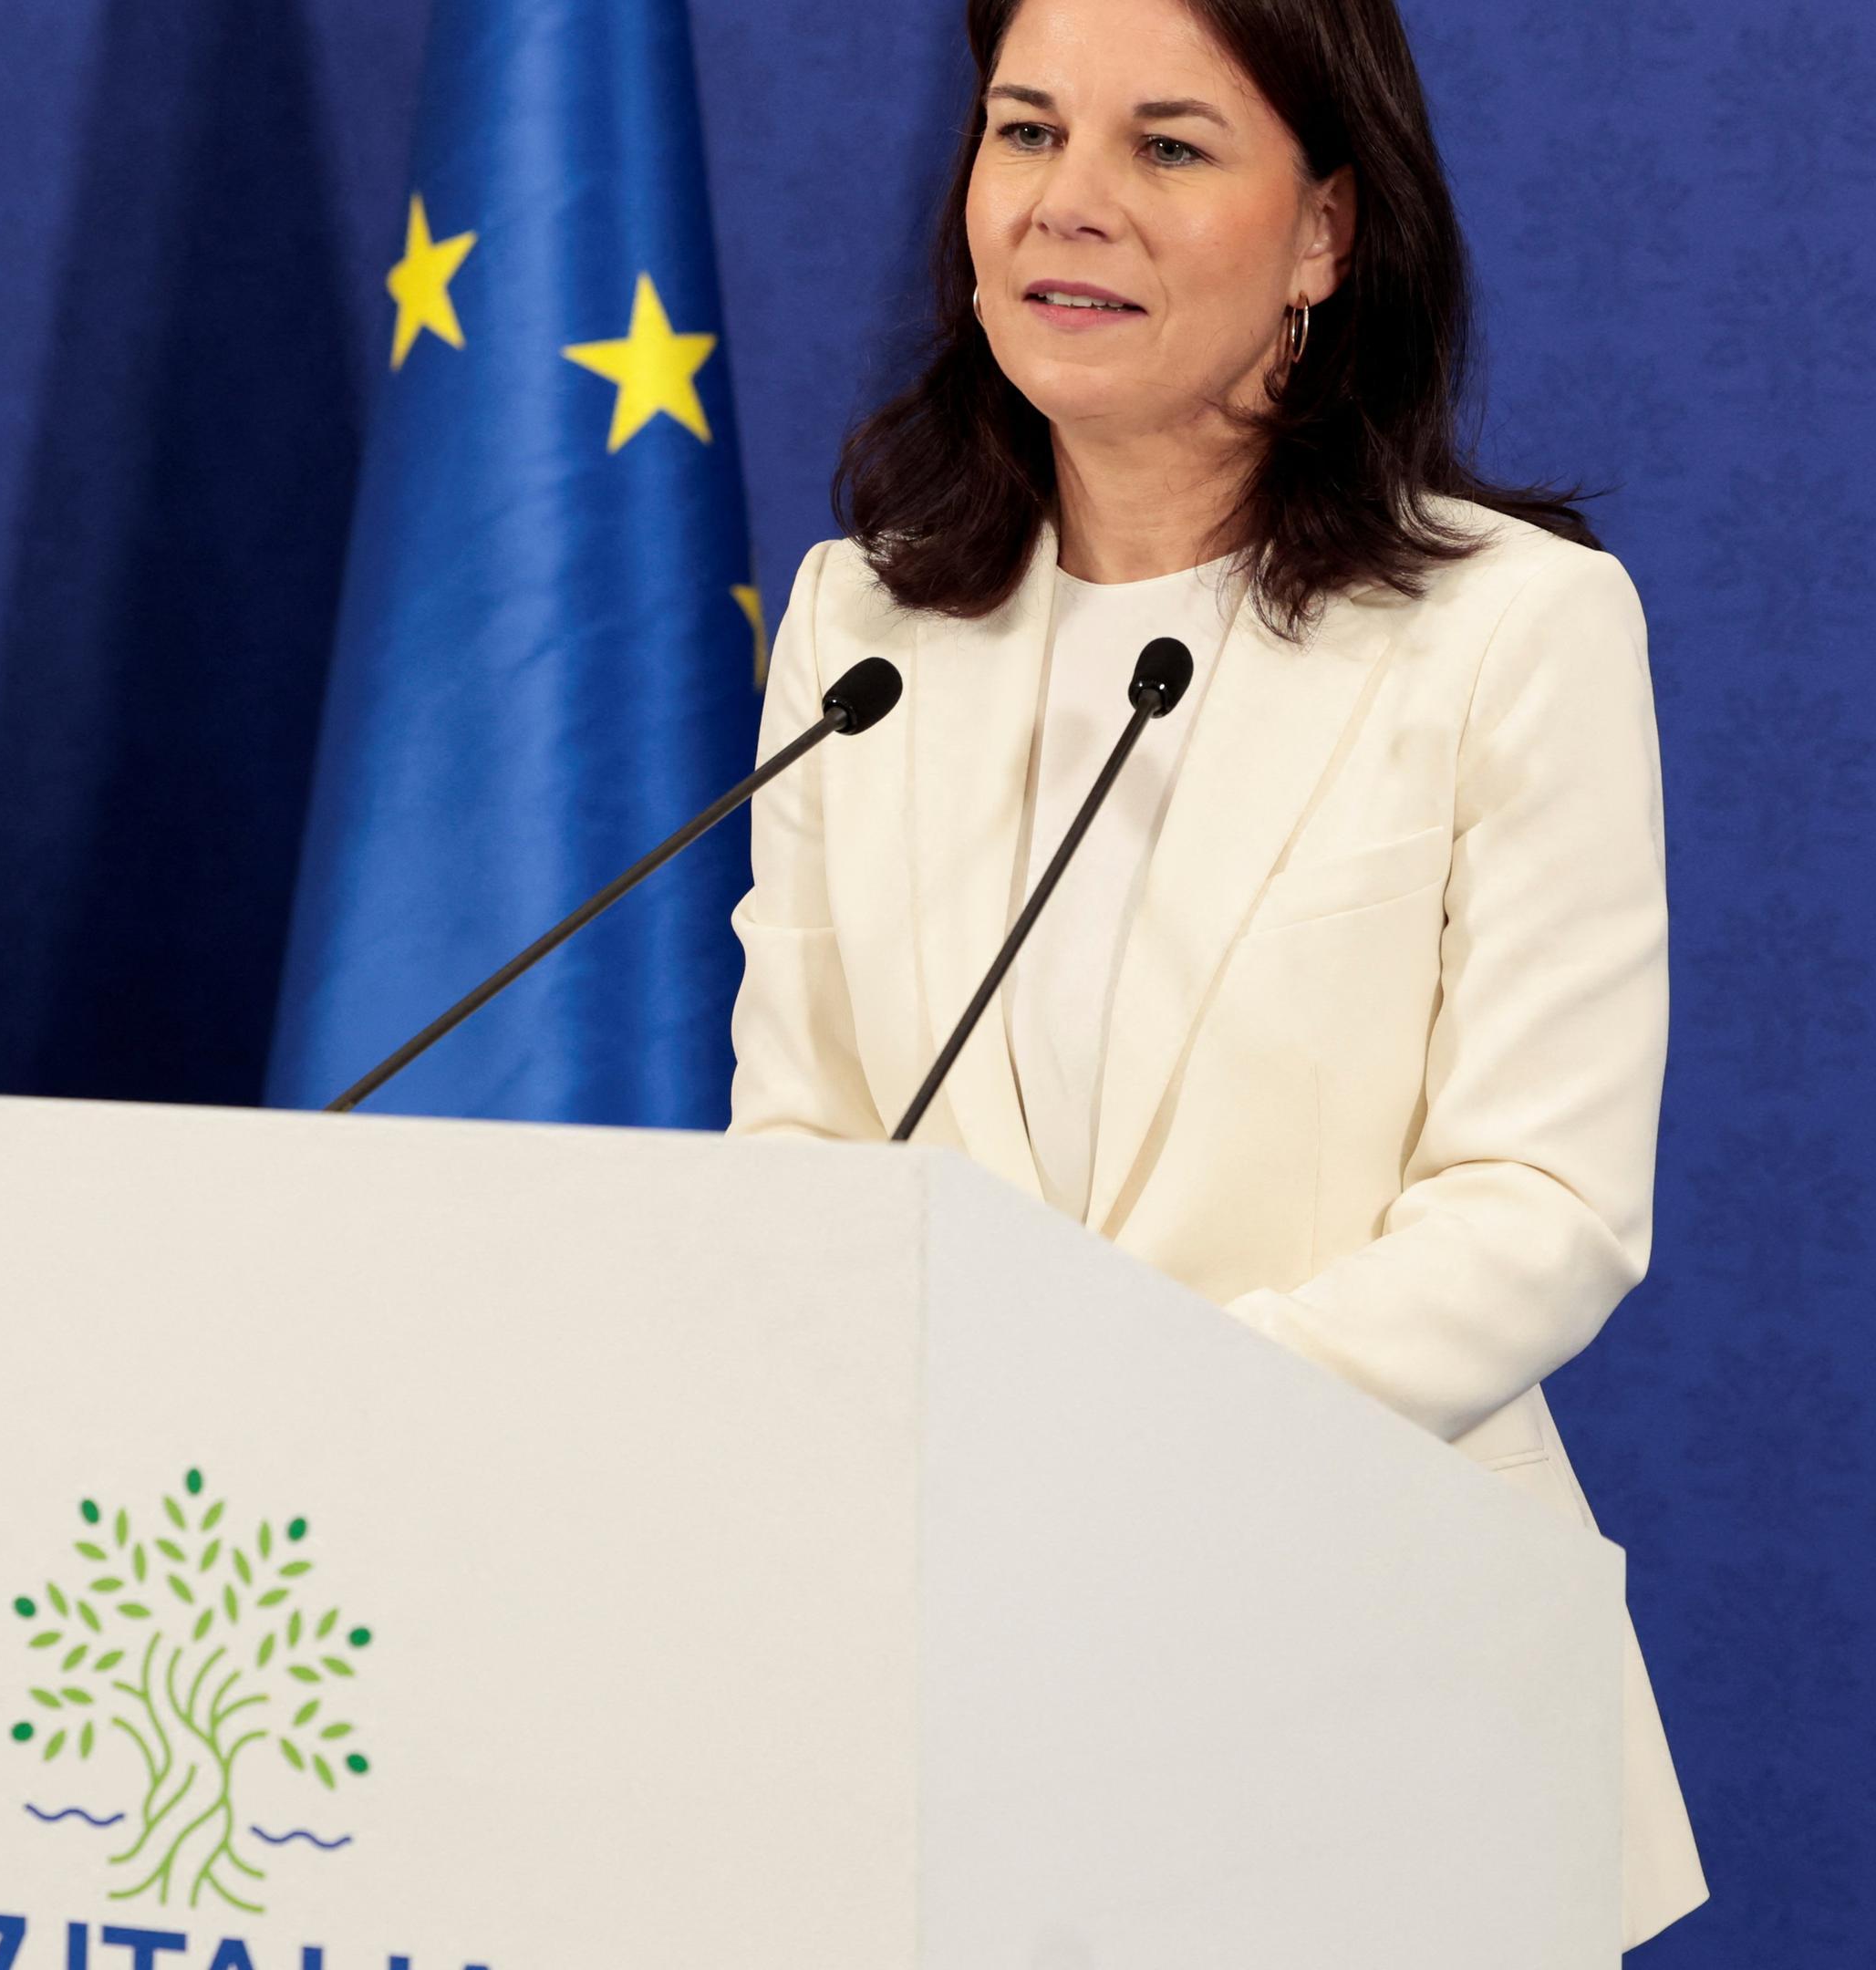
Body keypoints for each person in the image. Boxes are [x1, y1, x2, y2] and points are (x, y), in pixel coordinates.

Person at [725, 0, 1703, 1943]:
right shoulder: (866, 625)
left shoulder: (1513, 632)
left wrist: (1127, 1445)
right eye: (1024, 132)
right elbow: (801, 1144)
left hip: (1372, 1692)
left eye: (1167, 146)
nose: (1066, 206)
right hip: (944, 1708)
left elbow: (1543, 1209)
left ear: (1328, 231)